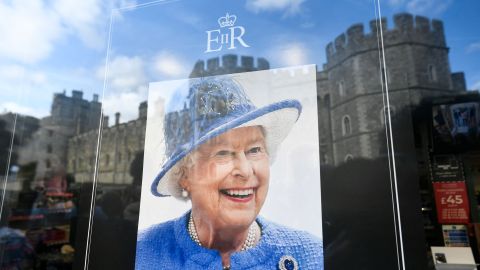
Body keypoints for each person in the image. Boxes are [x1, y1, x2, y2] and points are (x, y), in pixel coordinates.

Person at [135, 76, 323, 270]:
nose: (245, 170)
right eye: (223, 153)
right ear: (183, 175)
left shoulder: (313, 256)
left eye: (254, 150)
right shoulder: (143, 253)